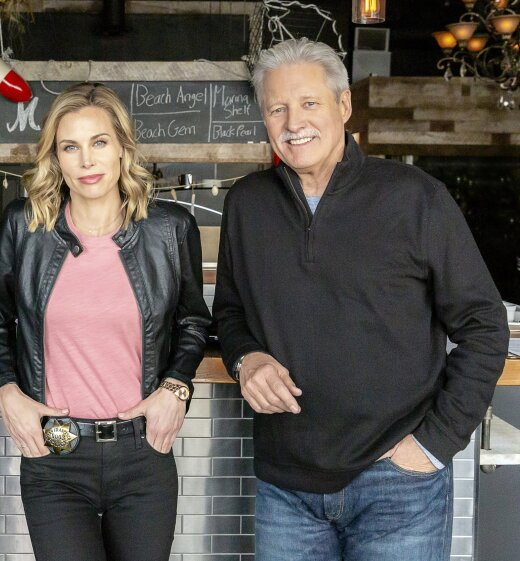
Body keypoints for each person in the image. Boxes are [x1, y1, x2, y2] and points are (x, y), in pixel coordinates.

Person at [213, 38, 509, 561]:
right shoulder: (246, 204)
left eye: (309, 103)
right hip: (286, 489)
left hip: (399, 485)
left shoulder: (416, 198)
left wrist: (435, 443)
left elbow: (484, 325)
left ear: (343, 105)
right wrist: (246, 358)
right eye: (277, 108)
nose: (293, 122)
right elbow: (232, 311)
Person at [0, 82, 211, 561]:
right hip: (55, 456)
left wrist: (176, 388)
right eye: (70, 146)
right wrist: (5, 390)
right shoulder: (25, 225)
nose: (86, 160)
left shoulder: (170, 229)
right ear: (56, 158)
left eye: (99, 142)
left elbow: (193, 320)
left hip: (143, 454)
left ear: (123, 148)